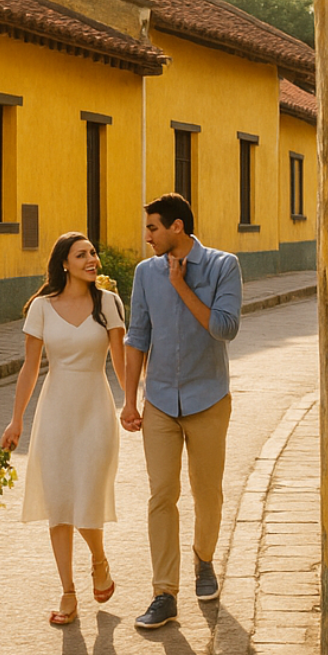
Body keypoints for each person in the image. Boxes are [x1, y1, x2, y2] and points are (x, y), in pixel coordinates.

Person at [120, 193, 242, 630]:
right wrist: (129, 399)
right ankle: (163, 593)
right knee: (161, 495)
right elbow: (137, 337)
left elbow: (225, 328)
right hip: (160, 404)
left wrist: (180, 286)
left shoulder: (223, 266)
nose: (146, 235)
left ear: (176, 228)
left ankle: (204, 561)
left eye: (152, 227)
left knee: (207, 492)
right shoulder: (144, 273)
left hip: (208, 398)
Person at [1, 232, 127, 626]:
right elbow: (29, 368)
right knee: (59, 501)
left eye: (93, 253)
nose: (92, 259)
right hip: (54, 411)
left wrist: (136, 405)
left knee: (87, 496)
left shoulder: (109, 304)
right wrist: (16, 418)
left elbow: (121, 363)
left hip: (96, 410)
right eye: (82, 254)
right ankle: (68, 592)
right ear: (64, 264)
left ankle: (99, 559)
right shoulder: (41, 308)